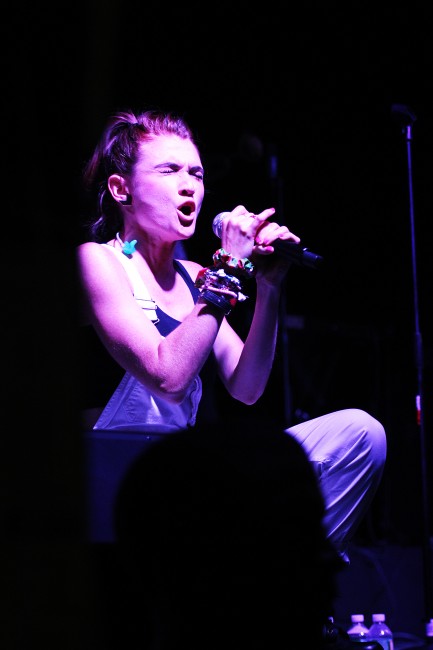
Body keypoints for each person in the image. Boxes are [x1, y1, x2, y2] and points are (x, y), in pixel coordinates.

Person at [76, 107, 387, 564]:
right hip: (116, 479)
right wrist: (229, 269)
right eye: (169, 170)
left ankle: (294, 578)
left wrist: (269, 287)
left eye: (196, 174)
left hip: (182, 474)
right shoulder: (98, 261)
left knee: (361, 435)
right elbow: (167, 376)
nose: (189, 185)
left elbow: (248, 387)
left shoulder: (196, 277)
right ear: (122, 189)